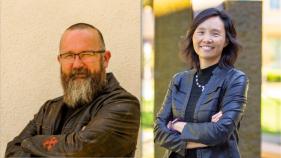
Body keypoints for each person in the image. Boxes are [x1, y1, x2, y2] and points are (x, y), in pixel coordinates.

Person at [5, 23, 140, 157]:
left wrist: (29, 143)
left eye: (86, 54)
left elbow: (80, 150)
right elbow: (12, 151)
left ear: (105, 59)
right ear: (60, 61)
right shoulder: (49, 109)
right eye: (69, 55)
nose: (77, 65)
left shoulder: (124, 106)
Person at [154, 8, 249, 158]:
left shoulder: (235, 79)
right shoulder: (179, 79)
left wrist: (177, 126)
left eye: (215, 33)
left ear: (226, 41)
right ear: (192, 37)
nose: (207, 39)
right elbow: (159, 131)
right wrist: (205, 134)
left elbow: (221, 132)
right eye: (201, 32)